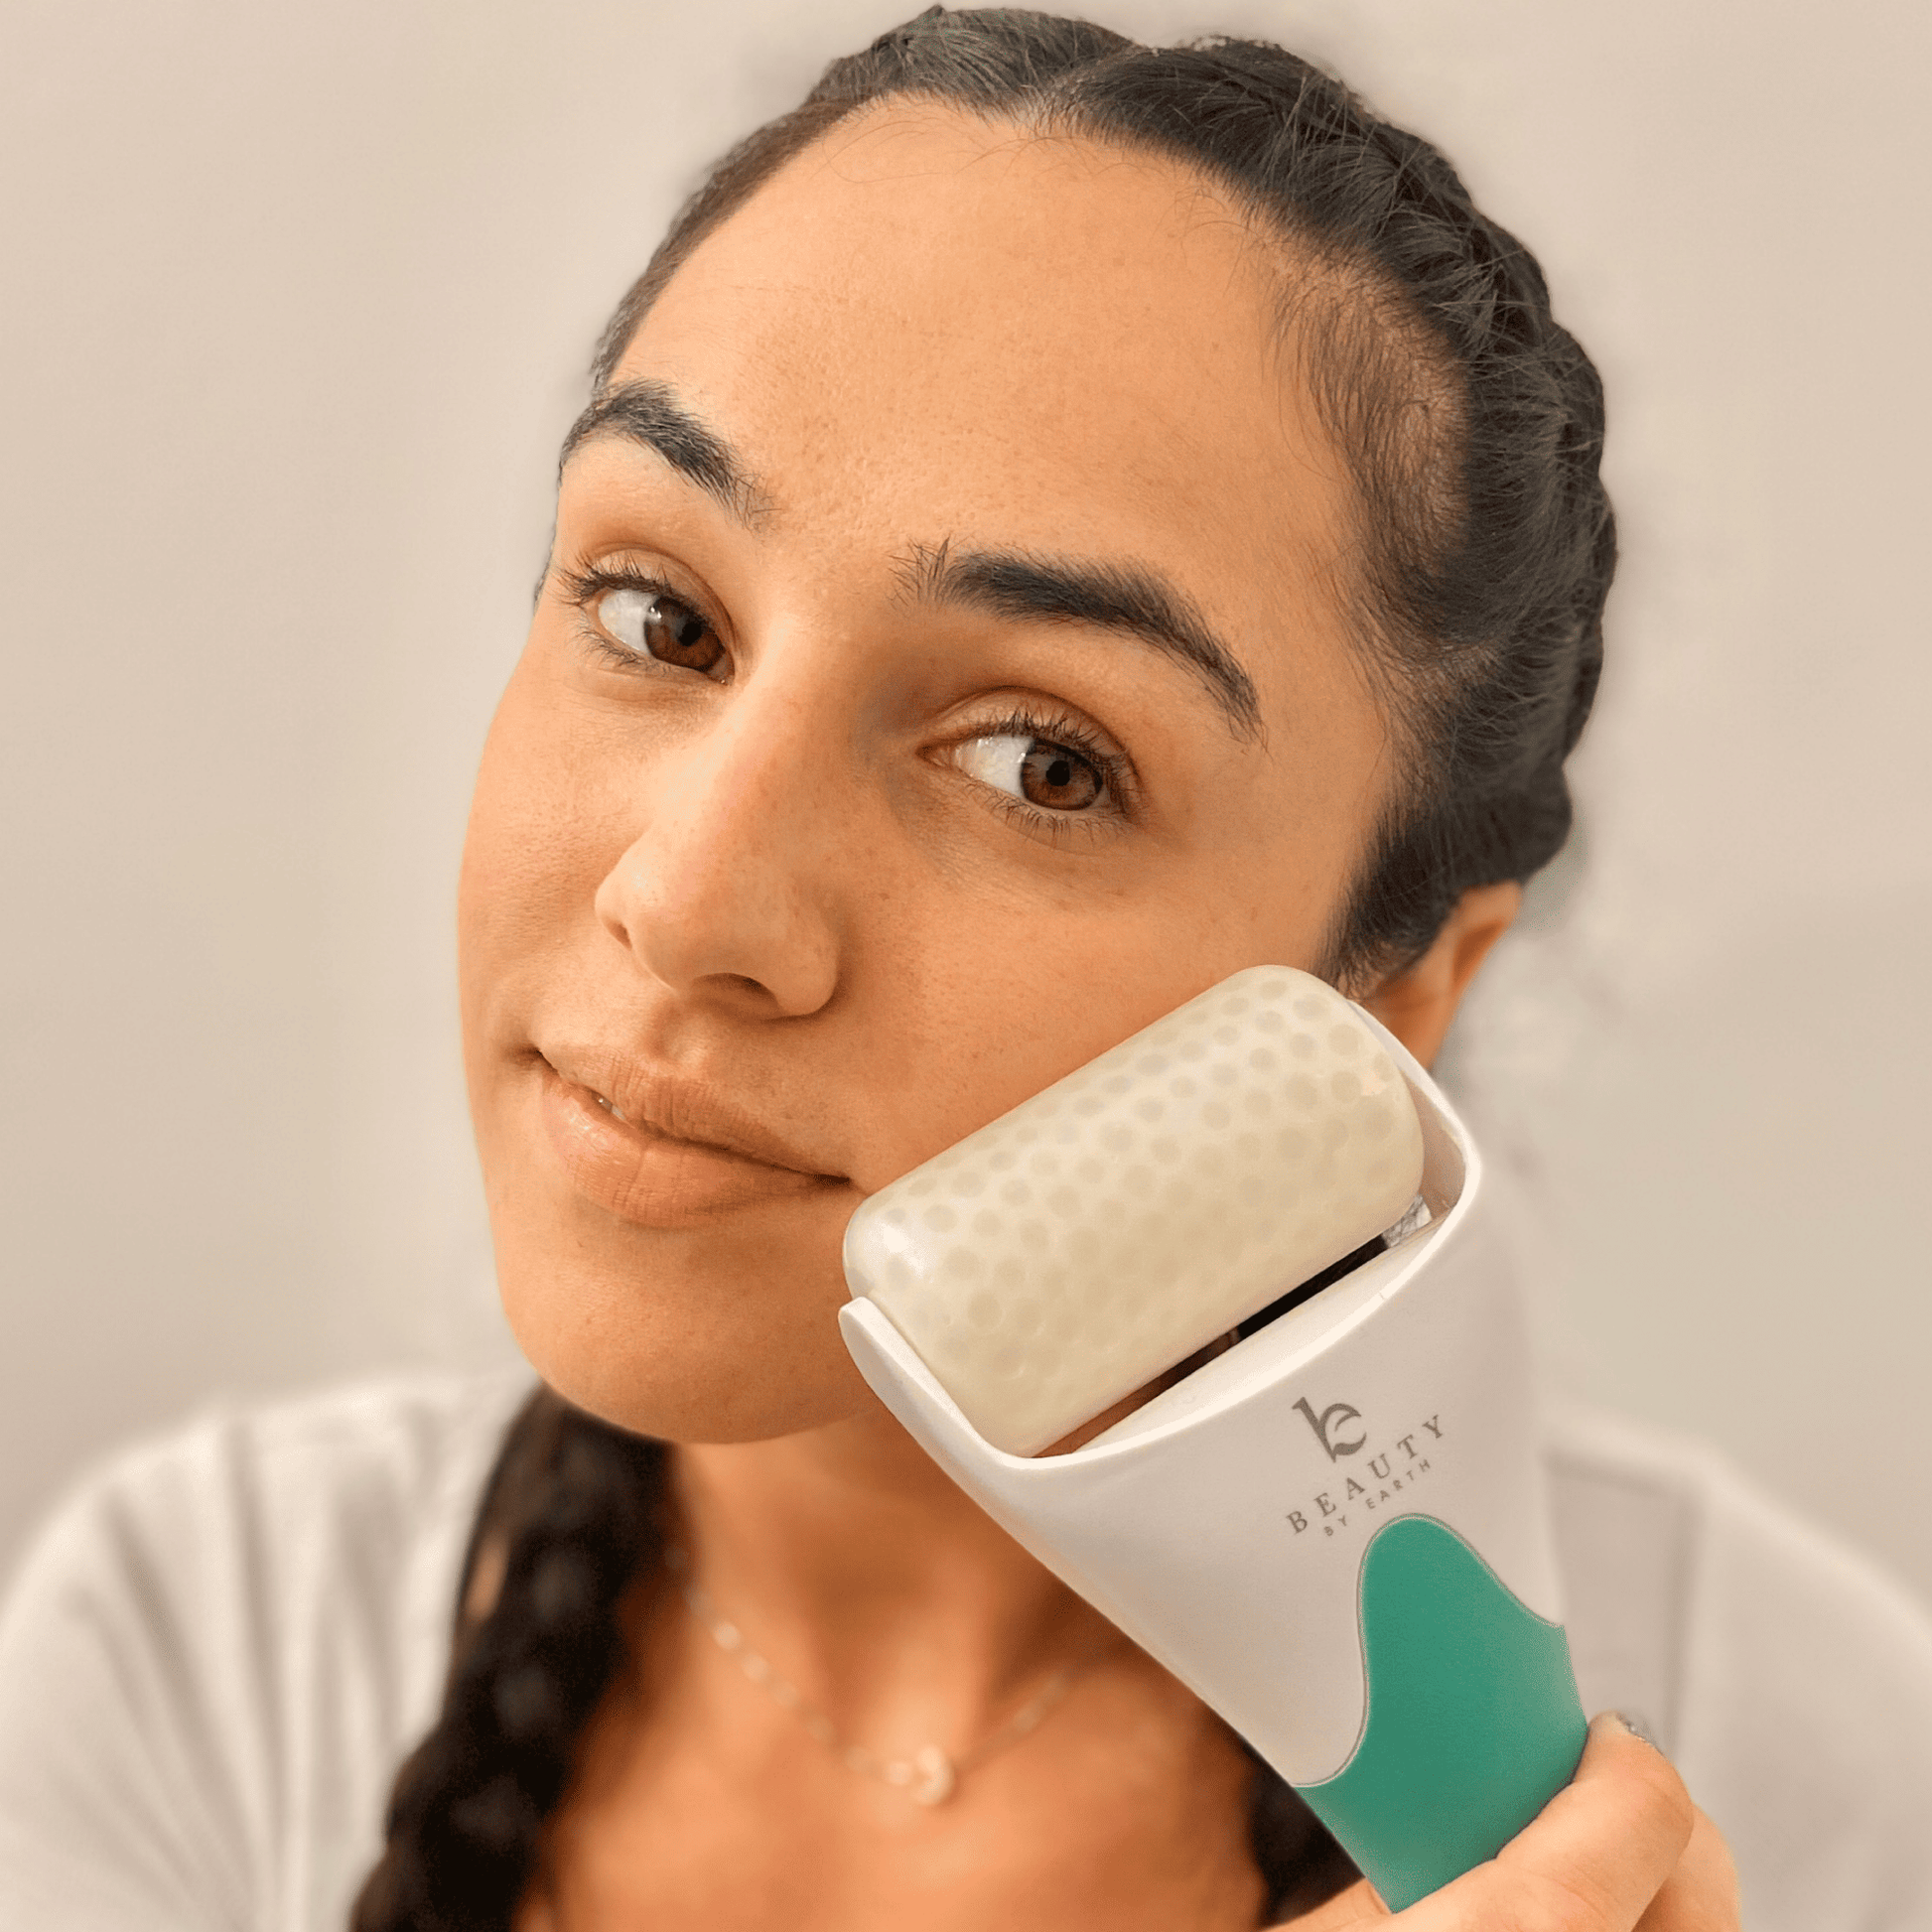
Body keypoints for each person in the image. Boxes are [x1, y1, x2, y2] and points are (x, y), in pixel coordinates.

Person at [0, 7, 1926, 1927]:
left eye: (1043, 764)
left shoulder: (1816, 1757)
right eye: (659, 614)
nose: (688, 904)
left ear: (1389, 997)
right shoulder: (197, 1648)